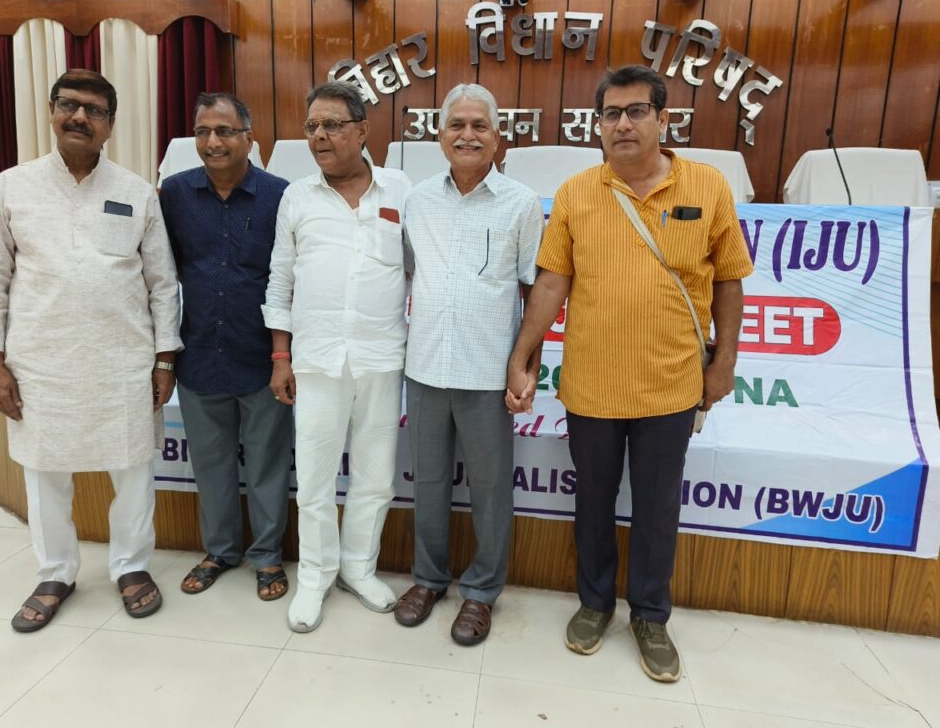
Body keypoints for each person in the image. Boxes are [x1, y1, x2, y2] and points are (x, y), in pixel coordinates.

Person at [506, 65, 753, 681]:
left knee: (658, 506)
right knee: (591, 501)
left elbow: (729, 280)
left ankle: (650, 615)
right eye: (611, 113)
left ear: (663, 120)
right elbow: (553, 282)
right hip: (591, 383)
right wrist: (522, 353)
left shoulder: (710, 186)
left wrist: (725, 361)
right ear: (599, 124)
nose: (622, 123)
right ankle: (594, 604)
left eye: (636, 111)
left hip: (672, 385)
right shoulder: (576, 193)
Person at [0, 69, 182, 632]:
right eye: (70, 105)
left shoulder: (136, 192)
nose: (80, 117)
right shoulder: (12, 186)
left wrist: (164, 358)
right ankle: (56, 571)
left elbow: (162, 283)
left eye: (94, 110)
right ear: (52, 111)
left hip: (124, 364)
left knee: (134, 472)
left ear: (111, 124)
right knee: (43, 473)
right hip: (40, 363)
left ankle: (131, 567)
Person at [393, 84, 543, 645]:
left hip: (487, 371)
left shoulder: (522, 204)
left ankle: (481, 591)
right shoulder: (417, 200)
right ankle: (429, 579)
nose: (468, 134)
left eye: (480, 125)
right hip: (426, 365)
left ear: (497, 136)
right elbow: (408, 274)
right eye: (456, 124)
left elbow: (535, 293)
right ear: (439, 136)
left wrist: (526, 366)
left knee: (489, 489)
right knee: (427, 483)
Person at [261, 81, 412, 633]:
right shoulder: (297, 197)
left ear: (363, 130)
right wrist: (281, 356)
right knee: (318, 479)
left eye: (332, 125)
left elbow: (420, 268)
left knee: (374, 477)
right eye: (312, 127)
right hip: (317, 360)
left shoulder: (401, 190)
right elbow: (280, 280)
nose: (320, 136)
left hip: (381, 357)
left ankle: (359, 568)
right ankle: (315, 577)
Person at [159, 93, 292, 600]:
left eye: (225, 131)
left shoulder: (281, 195)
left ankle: (267, 557)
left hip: (262, 358)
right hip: (199, 355)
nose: (212, 142)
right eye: (203, 132)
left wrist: (284, 354)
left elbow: (290, 279)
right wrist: (166, 355)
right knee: (210, 465)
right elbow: (160, 274)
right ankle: (219, 550)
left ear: (248, 138)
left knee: (267, 466)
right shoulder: (173, 194)